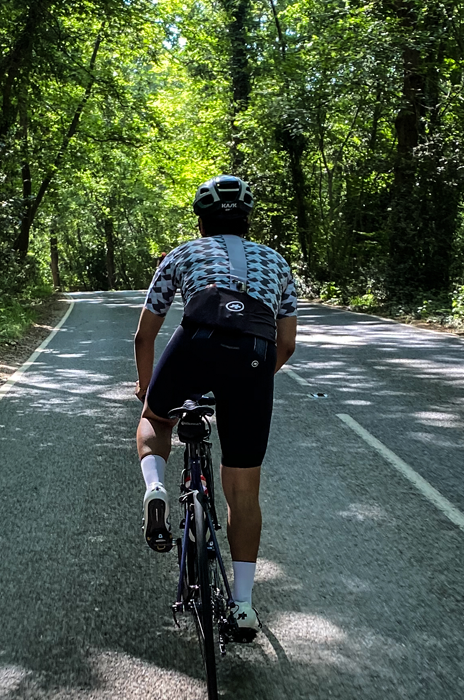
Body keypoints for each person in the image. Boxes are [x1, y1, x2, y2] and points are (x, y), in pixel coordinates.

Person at [133, 174, 298, 640]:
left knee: (154, 416)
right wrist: (245, 383)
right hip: (253, 358)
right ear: (248, 220)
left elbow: (145, 334)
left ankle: (156, 489)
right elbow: (285, 344)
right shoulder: (277, 262)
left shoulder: (182, 254)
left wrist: (149, 391)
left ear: (200, 221)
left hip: (195, 346)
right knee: (244, 490)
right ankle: (243, 605)